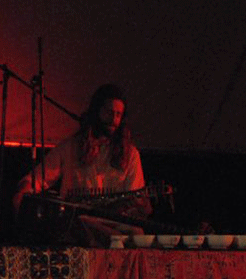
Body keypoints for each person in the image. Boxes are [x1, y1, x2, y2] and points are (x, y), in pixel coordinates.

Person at [13, 84, 150, 241]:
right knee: (104, 234)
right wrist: (23, 192)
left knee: (137, 234)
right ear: (96, 111)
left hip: (114, 220)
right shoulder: (71, 147)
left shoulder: (130, 154)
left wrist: (139, 206)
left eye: (118, 115)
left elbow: (135, 199)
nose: (113, 120)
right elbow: (38, 178)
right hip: (77, 220)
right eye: (108, 112)